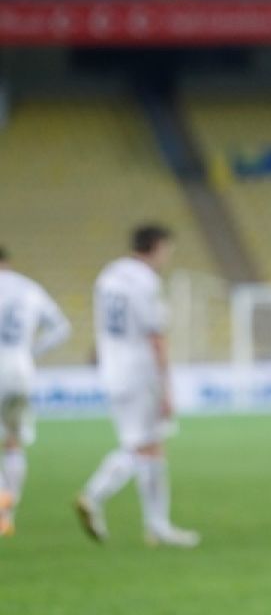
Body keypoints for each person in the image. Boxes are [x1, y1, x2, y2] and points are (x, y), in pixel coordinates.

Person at [75, 224, 200, 548]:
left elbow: (103, 325)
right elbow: (155, 335)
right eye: (167, 250)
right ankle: (96, 495)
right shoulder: (146, 281)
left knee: (149, 444)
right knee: (144, 446)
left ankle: (156, 526)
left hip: (112, 367)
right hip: (139, 368)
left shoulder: (109, 275)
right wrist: (167, 386)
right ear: (157, 247)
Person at [0, 246, 72, 535]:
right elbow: (61, 328)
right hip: (21, 369)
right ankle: (8, 515)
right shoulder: (28, 287)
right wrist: (31, 351)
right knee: (14, 442)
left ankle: (0, 492)